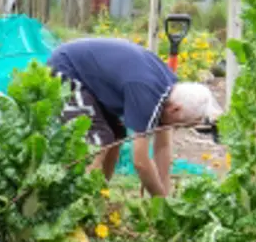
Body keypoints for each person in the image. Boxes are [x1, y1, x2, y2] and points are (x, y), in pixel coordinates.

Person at [47, 38, 223, 198]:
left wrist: (166, 197)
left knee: (116, 136)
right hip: (66, 69)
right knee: (99, 141)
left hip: (93, 79)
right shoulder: (146, 95)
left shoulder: (170, 89)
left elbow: (163, 145)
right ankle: (79, 202)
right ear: (175, 109)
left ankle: (99, 196)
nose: (176, 129)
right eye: (179, 125)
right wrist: (159, 199)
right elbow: (140, 161)